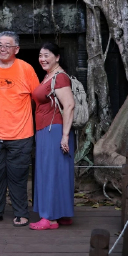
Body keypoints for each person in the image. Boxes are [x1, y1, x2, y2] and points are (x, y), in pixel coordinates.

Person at [0, 31, 39, 227]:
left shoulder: (26, 69)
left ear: (17, 49)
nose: (2, 49)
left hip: (21, 134)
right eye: (0, 45)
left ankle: (21, 213)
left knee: (18, 176)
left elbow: (37, 99)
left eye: (7, 45)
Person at [29, 42, 76, 230]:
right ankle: (62, 213)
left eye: (47, 55)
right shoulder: (49, 76)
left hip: (54, 131)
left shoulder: (60, 77)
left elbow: (69, 105)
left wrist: (64, 136)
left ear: (57, 57)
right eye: (40, 55)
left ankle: (50, 218)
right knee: (57, 171)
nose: (42, 59)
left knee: (50, 173)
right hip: (46, 130)